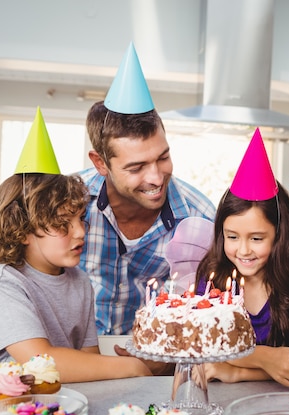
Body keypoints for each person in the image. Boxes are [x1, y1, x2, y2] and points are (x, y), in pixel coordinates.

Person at [0, 108, 152, 382]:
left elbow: (87, 364)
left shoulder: (79, 282)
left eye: (80, 219)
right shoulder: (1, 282)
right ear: (22, 230)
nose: (80, 232)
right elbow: (38, 362)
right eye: (62, 223)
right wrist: (133, 367)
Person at [78, 44, 216, 337]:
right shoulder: (66, 204)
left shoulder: (199, 218)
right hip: (76, 361)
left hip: (157, 368)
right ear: (100, 163)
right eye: (136, 167)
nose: (156, 177)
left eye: (163, 157)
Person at [194, 129, 289, 387]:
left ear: (279, 236)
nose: (243, 250)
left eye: (256, 239)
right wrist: (266, 357)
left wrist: (239, 371)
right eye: (232, 237)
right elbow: (206, 348)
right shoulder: (213, 280)